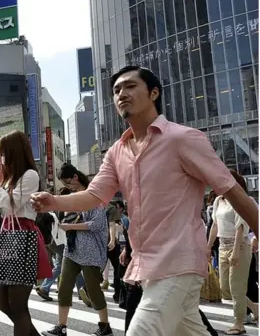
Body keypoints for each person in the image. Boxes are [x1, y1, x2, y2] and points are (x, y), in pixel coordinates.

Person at [31, 66, 259, 336]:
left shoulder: (182, 138)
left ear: (154, 93)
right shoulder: (117, 152)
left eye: (129, 86)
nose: (121, 94)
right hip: (147, 268)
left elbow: (232, 190)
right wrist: (53, 201)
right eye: (116, 90)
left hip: (178, 263)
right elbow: (94, 195)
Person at [0, 130, 53, 336]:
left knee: (17, 304)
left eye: (3, 152)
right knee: (2, 302)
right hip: (8, 235)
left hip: (22, 235)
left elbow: (11, 206)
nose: (1, 156)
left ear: (13, 152)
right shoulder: (9, 178)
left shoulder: (30, 175)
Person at [41, 163, 113, 336]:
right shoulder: (73, 198)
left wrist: (72, 227)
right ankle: (61, 326)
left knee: (93, 291)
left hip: (91, 252)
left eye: (68, 183)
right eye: (65, 185)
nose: (68, 187)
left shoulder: (92, 196)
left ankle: (105, 326)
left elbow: (97, 224)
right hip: (72, 250)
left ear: (75, 177)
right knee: (64, 286)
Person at [207, 170, 254, 335]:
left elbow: (240, 227)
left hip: (239, 247)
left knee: (236, 288)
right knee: (225, 288)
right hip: (222, 247)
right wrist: (208, 246)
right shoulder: (219, 200)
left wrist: (235, 252)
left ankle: (239, 323)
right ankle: (255, 307)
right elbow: (214, 225)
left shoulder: (240, 199)